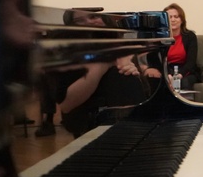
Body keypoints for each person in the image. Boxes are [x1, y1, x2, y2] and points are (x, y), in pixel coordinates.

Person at [53, 10, 149, 138]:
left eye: (94, 16)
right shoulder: (67, 52)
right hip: (87, 119)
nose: (88, 22)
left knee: (125, 76)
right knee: (120, 76)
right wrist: (105, 63)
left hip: (121, 116)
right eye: (79, 21)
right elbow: (66, 105)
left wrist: (133, 69)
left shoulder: (120, 45)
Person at [142, 3, 198, 90]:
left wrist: (177, 76)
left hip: (184, 72)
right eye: (170, 17)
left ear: (182, 20)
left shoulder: (190, 36)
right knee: (154, 80)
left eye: (176, 17)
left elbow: (191, 62)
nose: (173, 20)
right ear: (164, 21)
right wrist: (167, 75)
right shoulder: (157, 37)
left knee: (183, 82)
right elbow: (153, 59)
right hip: (164, 70)